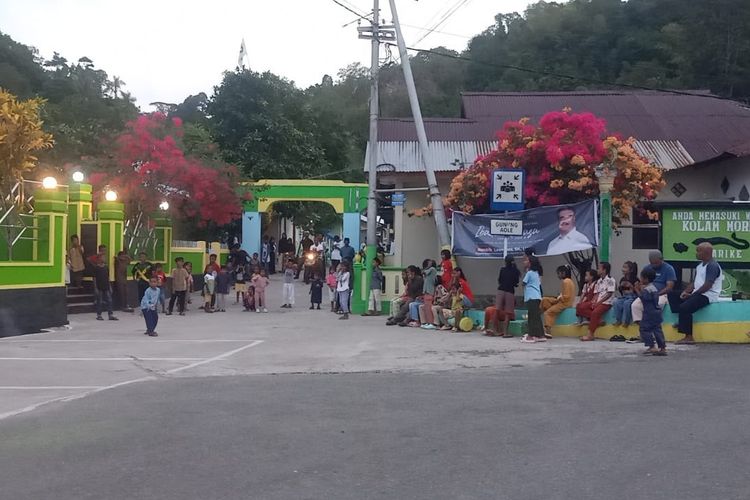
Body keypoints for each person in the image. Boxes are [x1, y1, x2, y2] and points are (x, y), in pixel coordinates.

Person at [669, 242, 723, 344]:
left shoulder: (712, 266)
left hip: (708, 295)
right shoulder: (700, 266)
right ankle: (682, 321)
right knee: (672, 295)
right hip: (698, 293)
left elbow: (707, 285)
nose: (696, 253)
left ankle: (688, 337)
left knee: (685, 307)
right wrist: (686, 291)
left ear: (706, 252)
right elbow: (695, 283)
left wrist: (693, 295)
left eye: (698, 251)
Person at [631, 250, 676, 323]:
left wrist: (657, 294)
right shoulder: (647, 268)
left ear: (662, 259)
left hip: (662, 294)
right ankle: (641, 325)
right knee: (635, 305)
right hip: (647, 293)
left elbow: (669, 287)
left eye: (656, 263)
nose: (654, 265)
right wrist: (641, 288)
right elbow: (642, 283)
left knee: (657, 305)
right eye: (652, 263)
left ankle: (652, 323)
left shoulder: (668, 269)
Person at [578, 262, 616, 341]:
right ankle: (598, 321)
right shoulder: (598, 281)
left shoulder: (611, 280)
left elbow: (609, 294)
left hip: (606, 302)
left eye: (599, 268)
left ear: (604, 270)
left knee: (595, 313)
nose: (597, 270)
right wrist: (593, 301)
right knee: (580, 306)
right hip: (598, 301)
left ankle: (590, 334)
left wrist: (598, 303)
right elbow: (597, 293)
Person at [488, 255, 520, 338]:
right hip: (510, 291)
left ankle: (495, 331)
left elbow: (499, 280)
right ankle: (505, 333)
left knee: (496, 310)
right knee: (508, 313)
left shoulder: (502, 270)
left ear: (505, 262)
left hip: (501, 290)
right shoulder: (515, 271)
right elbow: (516, 283)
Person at [541, 265, 576, 338]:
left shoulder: (566, 282)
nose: (558, 275)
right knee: (545, 300)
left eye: (558, 273)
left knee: (548, 313)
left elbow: (566, 297)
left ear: (563, 273)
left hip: (565, 303)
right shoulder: (569, 281)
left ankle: (548, 331)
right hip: (563, 302)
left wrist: (559, 297)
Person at [638, 268, 667, 356]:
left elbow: (644, 299)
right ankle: (662, 347)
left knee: (644, 328)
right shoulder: (654, 288)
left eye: (642, 278)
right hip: (657, 311)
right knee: (657, 329)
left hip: (649, 312)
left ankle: (651, 346)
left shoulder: (647, 289)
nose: (641, 279)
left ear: (646, 279)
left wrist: (637, 290)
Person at [520, 255, 544, 343]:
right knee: (536, 317)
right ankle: (540, 335)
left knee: (531, 317)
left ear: (530, 263)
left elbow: (523, 283)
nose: (524, 262)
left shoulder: (529, 273)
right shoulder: (536, 273)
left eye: (526, 261)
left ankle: (530, 336)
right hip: (537, 296)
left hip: (531, 297)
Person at [612, 261, 639, 328]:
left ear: (631, 270)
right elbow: (622, 291)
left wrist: (631, 286)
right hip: (624, 297)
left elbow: (636, 291)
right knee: (616, 302)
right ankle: (618, 320)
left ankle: (626, 322)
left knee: (626, 303)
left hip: (632, 297)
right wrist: (620, 287)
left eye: (625, 267)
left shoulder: (635, 279)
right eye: (623, 267)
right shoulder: (622, 279)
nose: (623, 269)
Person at [93, 254, 118, 322]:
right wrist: (95, 288)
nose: (104, 258)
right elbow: (94, 278)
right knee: (100, 301)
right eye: (103, 257)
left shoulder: (106, 267)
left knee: (109, 300)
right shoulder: (96, 268)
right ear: (99, 259)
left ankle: (110, 315)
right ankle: (99, 315)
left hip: (106, 286)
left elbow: (108, 277)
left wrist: (110, 286)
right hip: (99, 286)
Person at [418, 259, 438, 329]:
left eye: (429, 262)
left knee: (429, 308)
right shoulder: (430, 271)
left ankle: (431, 322)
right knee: (426, 308)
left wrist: (427, 267)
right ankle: (427, 322)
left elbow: (423, 272)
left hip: (429, 291)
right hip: (426, 291)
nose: (428, 263)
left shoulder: (432, 269)